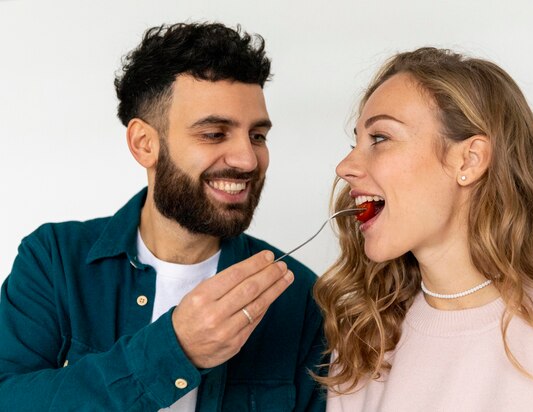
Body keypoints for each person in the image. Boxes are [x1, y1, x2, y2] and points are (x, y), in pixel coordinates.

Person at [0, 22, 325, 411]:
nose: (248, 159)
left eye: (257, 135)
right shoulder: (54, 261)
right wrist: (175, 349)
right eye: (214, 133)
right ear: (145, 144)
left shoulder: (301, 298)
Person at [314, 47, 533, 411]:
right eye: (356, 143)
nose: (344, 166)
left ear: (470, 159)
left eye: (379, 139)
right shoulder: (362, 350)